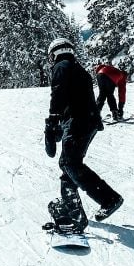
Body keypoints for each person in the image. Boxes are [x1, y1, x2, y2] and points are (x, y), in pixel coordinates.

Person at [44, 37, 123, 233]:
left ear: (55, 53)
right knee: (69, 164)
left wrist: (53, 119)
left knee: (69, 163)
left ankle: (108, 198)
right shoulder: (76, 68)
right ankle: (71, 208)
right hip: (86, 121)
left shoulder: (61, 66)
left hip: (79, 121)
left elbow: (58, 93)